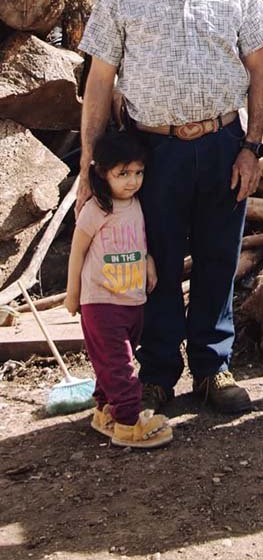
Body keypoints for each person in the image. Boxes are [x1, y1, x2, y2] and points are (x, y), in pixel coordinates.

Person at [77, 0, 263, 415]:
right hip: (152, 152)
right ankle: (159, 372)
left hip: (222, 144)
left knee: (218, 257)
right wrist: (89, 167)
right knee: (157, 261)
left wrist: (252, 147)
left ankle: (213, 368)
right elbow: (99, 82)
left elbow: (261, 69)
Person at [64, 131, 173, 449]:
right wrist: (73, 295)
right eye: (122, 174)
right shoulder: (96, 209)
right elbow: (77, 252)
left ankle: (104, 409)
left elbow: (137, 241)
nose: (132, 181)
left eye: (138, 172)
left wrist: (148, 261)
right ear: (102, 173)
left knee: (109, 362)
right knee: (120, 364)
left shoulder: (136, 204)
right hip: (101, 301)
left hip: (132, 300)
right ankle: (128, 422)